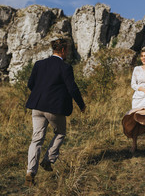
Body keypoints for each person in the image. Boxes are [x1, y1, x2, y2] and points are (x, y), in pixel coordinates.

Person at [24, 38, 86, 186]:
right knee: (60, 133)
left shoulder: (39, 64)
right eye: (68, 51)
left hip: (37, 106)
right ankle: (48, 160)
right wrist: (81, 105)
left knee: (36, 139)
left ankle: (30, 172)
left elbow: (30, 84)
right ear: (63, 50)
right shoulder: (65, 67)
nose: (68, 54)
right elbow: (72, 88)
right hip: (54, 108)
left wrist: (41, 95)